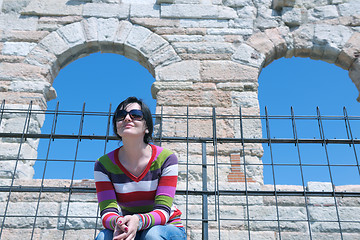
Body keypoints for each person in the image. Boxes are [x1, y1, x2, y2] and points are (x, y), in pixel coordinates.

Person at [94, 97, 186, 240]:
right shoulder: (103, 165)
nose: (127, 118)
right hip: (130, 227)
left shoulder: (166, 158)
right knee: (103, 237)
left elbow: (163, 211)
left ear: (147, 127)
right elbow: (107, 212)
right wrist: (119, 223)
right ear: (116, 127)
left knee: (152, 236)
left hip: (166, 226)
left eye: (136, 114)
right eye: (120, 116)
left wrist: (138, 220)